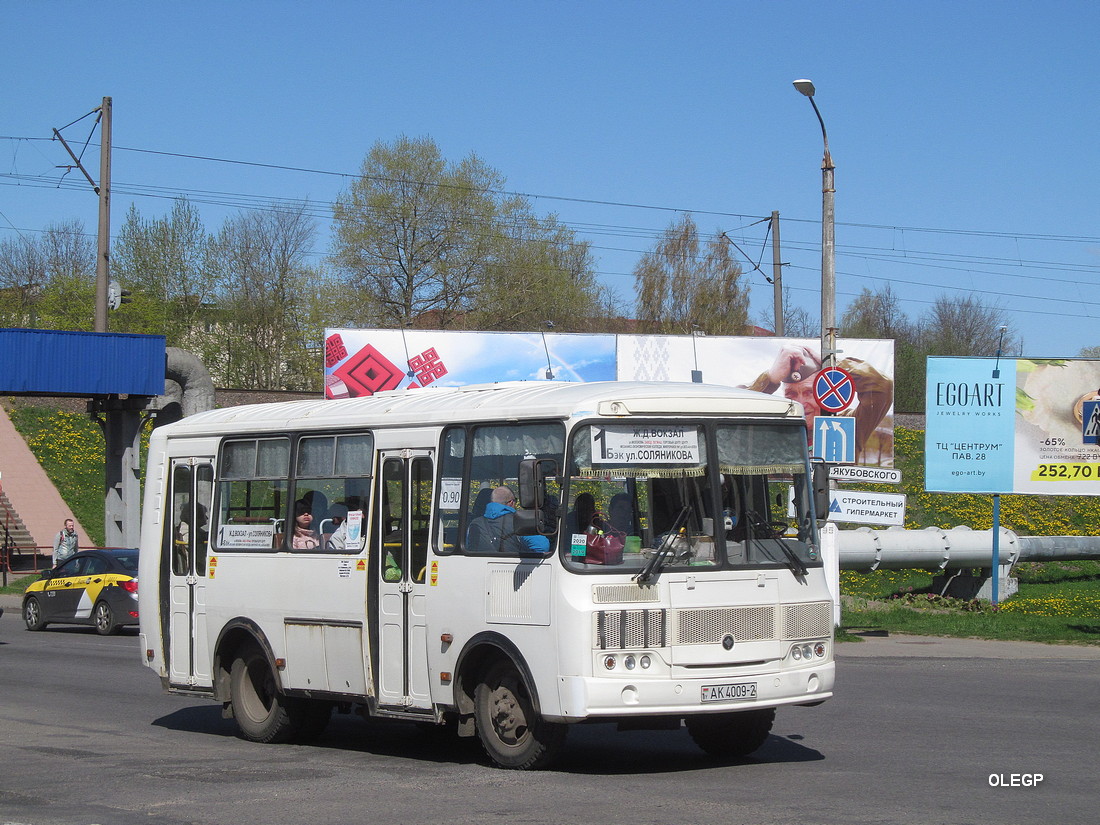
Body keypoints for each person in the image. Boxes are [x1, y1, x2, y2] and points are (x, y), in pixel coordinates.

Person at [745, 344, 894, 464]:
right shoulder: (771, 432)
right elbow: (732, 408)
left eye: (809, 393)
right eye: (791, 394)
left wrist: (834, 365)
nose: (801, 403)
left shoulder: (845, 425)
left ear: (823, 392)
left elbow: (882, 386)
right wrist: (770, 379)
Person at [466, 486, 550, 553]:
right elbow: (542, 546)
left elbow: (469, 547)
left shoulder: (474, 524)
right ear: (511, 502)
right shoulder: (520, 522)